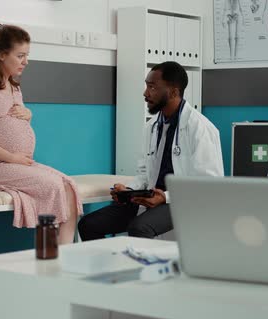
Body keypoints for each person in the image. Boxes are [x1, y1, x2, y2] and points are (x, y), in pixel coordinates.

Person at [0, 23, 82, 244]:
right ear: (1, 55)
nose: (26, 61)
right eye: (20, 55)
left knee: (69, 187)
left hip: (16, 164)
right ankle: (52, 257)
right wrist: (12, 157)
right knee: (54, 186)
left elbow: (11, 119)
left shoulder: (13, 86)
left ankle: (64, 257)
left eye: (27, 55)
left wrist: (28, 114)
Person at [78, 61, 224, 240]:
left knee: (140, 228)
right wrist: (128, 190)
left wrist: (165, 197)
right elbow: (144, 174)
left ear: (173, 92)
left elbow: (208, 186)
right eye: (147, 86)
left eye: (152, 87)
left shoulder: (201, 129)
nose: (145, 93)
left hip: (183, 202)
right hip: (149, 198)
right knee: (88, 225)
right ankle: (111, 268)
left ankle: (142, 267)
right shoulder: (152, 127)